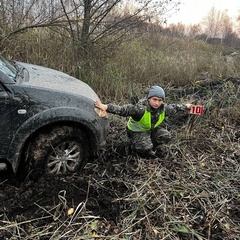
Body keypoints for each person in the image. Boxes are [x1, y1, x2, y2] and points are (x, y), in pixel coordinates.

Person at [95, 85, 191, 157]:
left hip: (150, 129)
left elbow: (174, 108)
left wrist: (186, 106)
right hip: (136, 130)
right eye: (155, 99)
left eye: (160, 100)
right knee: (144, 148)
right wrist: (106, 107)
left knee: (166, 136)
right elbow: (123, 110)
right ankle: (134, 146)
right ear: (149, 99)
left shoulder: (163, 108)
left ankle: (147, 143)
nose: (157, 103)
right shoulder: (140, 109)